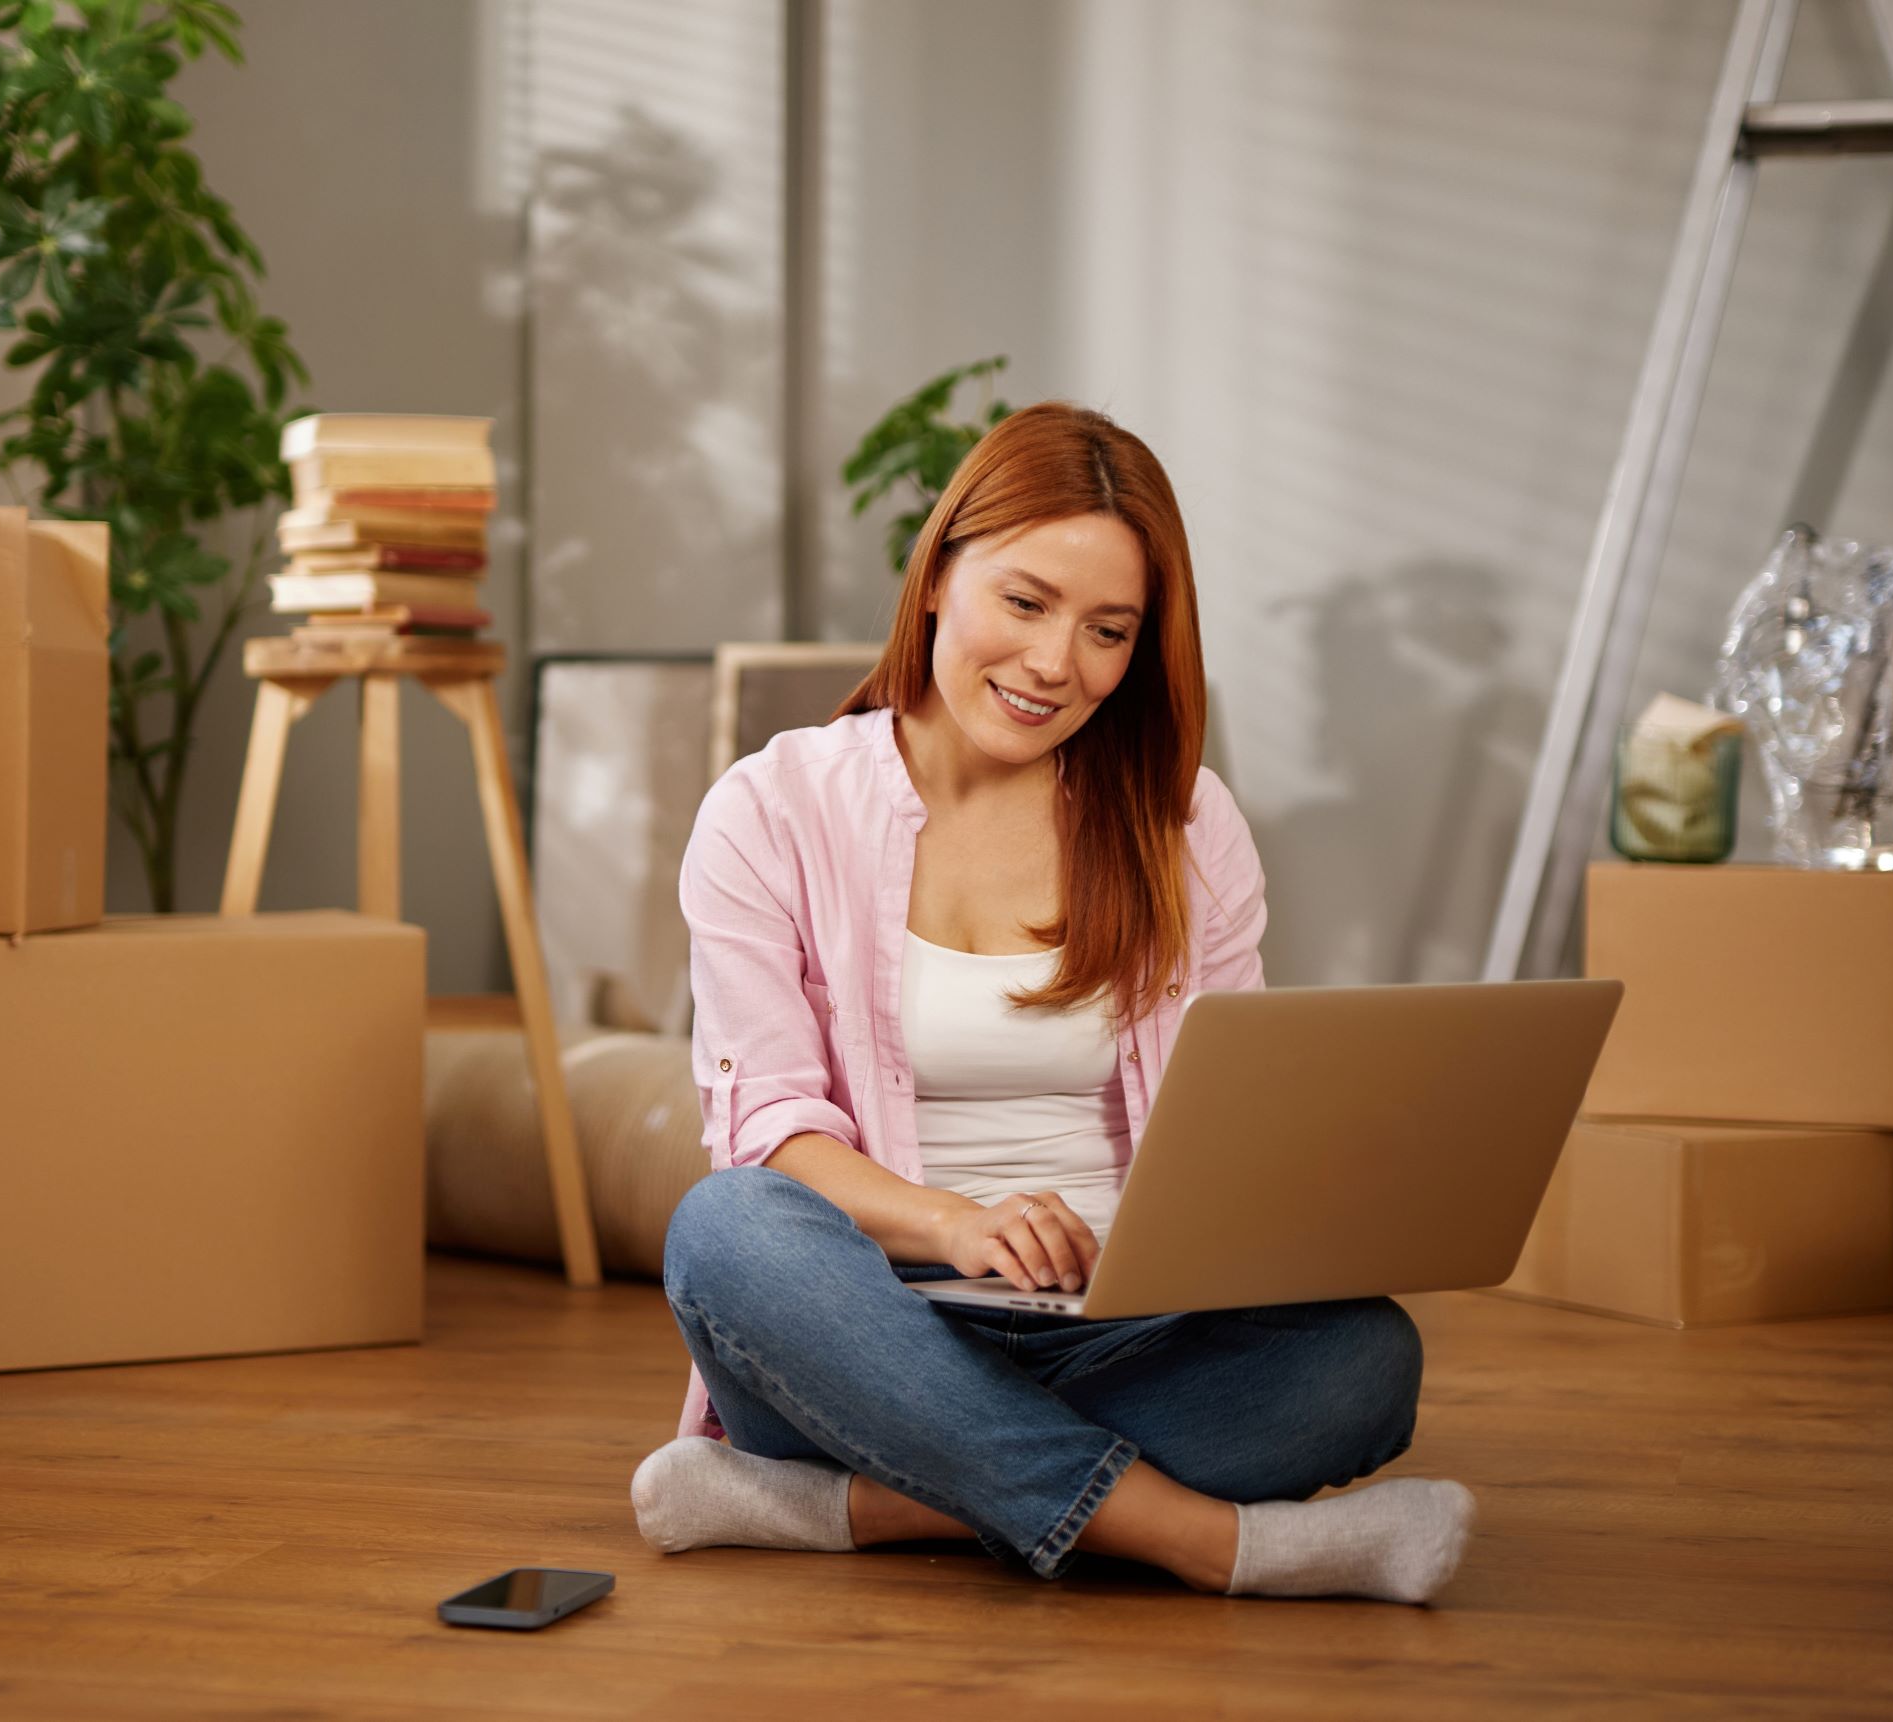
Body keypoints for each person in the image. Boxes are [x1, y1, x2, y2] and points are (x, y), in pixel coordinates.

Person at [627, 402, 1476, 1602]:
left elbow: (1230, 1114)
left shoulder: (1182, 823)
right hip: (869, 1319)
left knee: (1364, 1359)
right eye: (1023, 603)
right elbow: (768, 1125)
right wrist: (953, 1225)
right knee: (725, 1231)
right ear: (936, 577)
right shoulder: (772, 810)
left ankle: (854, 1503)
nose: (1051, 666)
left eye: (1105, 631)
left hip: (1122, 1323)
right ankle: (1208, 1542)